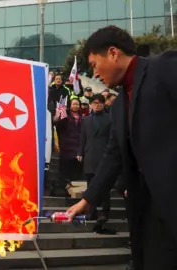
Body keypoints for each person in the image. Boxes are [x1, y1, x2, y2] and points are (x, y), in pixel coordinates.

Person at [67, 25, 177, 270]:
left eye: (95, 64)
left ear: (114, 53)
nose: (94, 74)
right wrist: (88, 199)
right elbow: (113, 154)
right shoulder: (118, 104)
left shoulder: (165, 68)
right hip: (148, 213)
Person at [77, 94, 116, 235]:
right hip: (90, 156)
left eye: (99, 103)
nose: (97, 105)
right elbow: (83, 137)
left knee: (104, 185)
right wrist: (80, 152)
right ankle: (91, 211)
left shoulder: (110, 119)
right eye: (94, 103)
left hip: (104, 156)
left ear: (104, 104)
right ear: (91, 104)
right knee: (90, 184)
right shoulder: (86, 120)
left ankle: (104, 212)